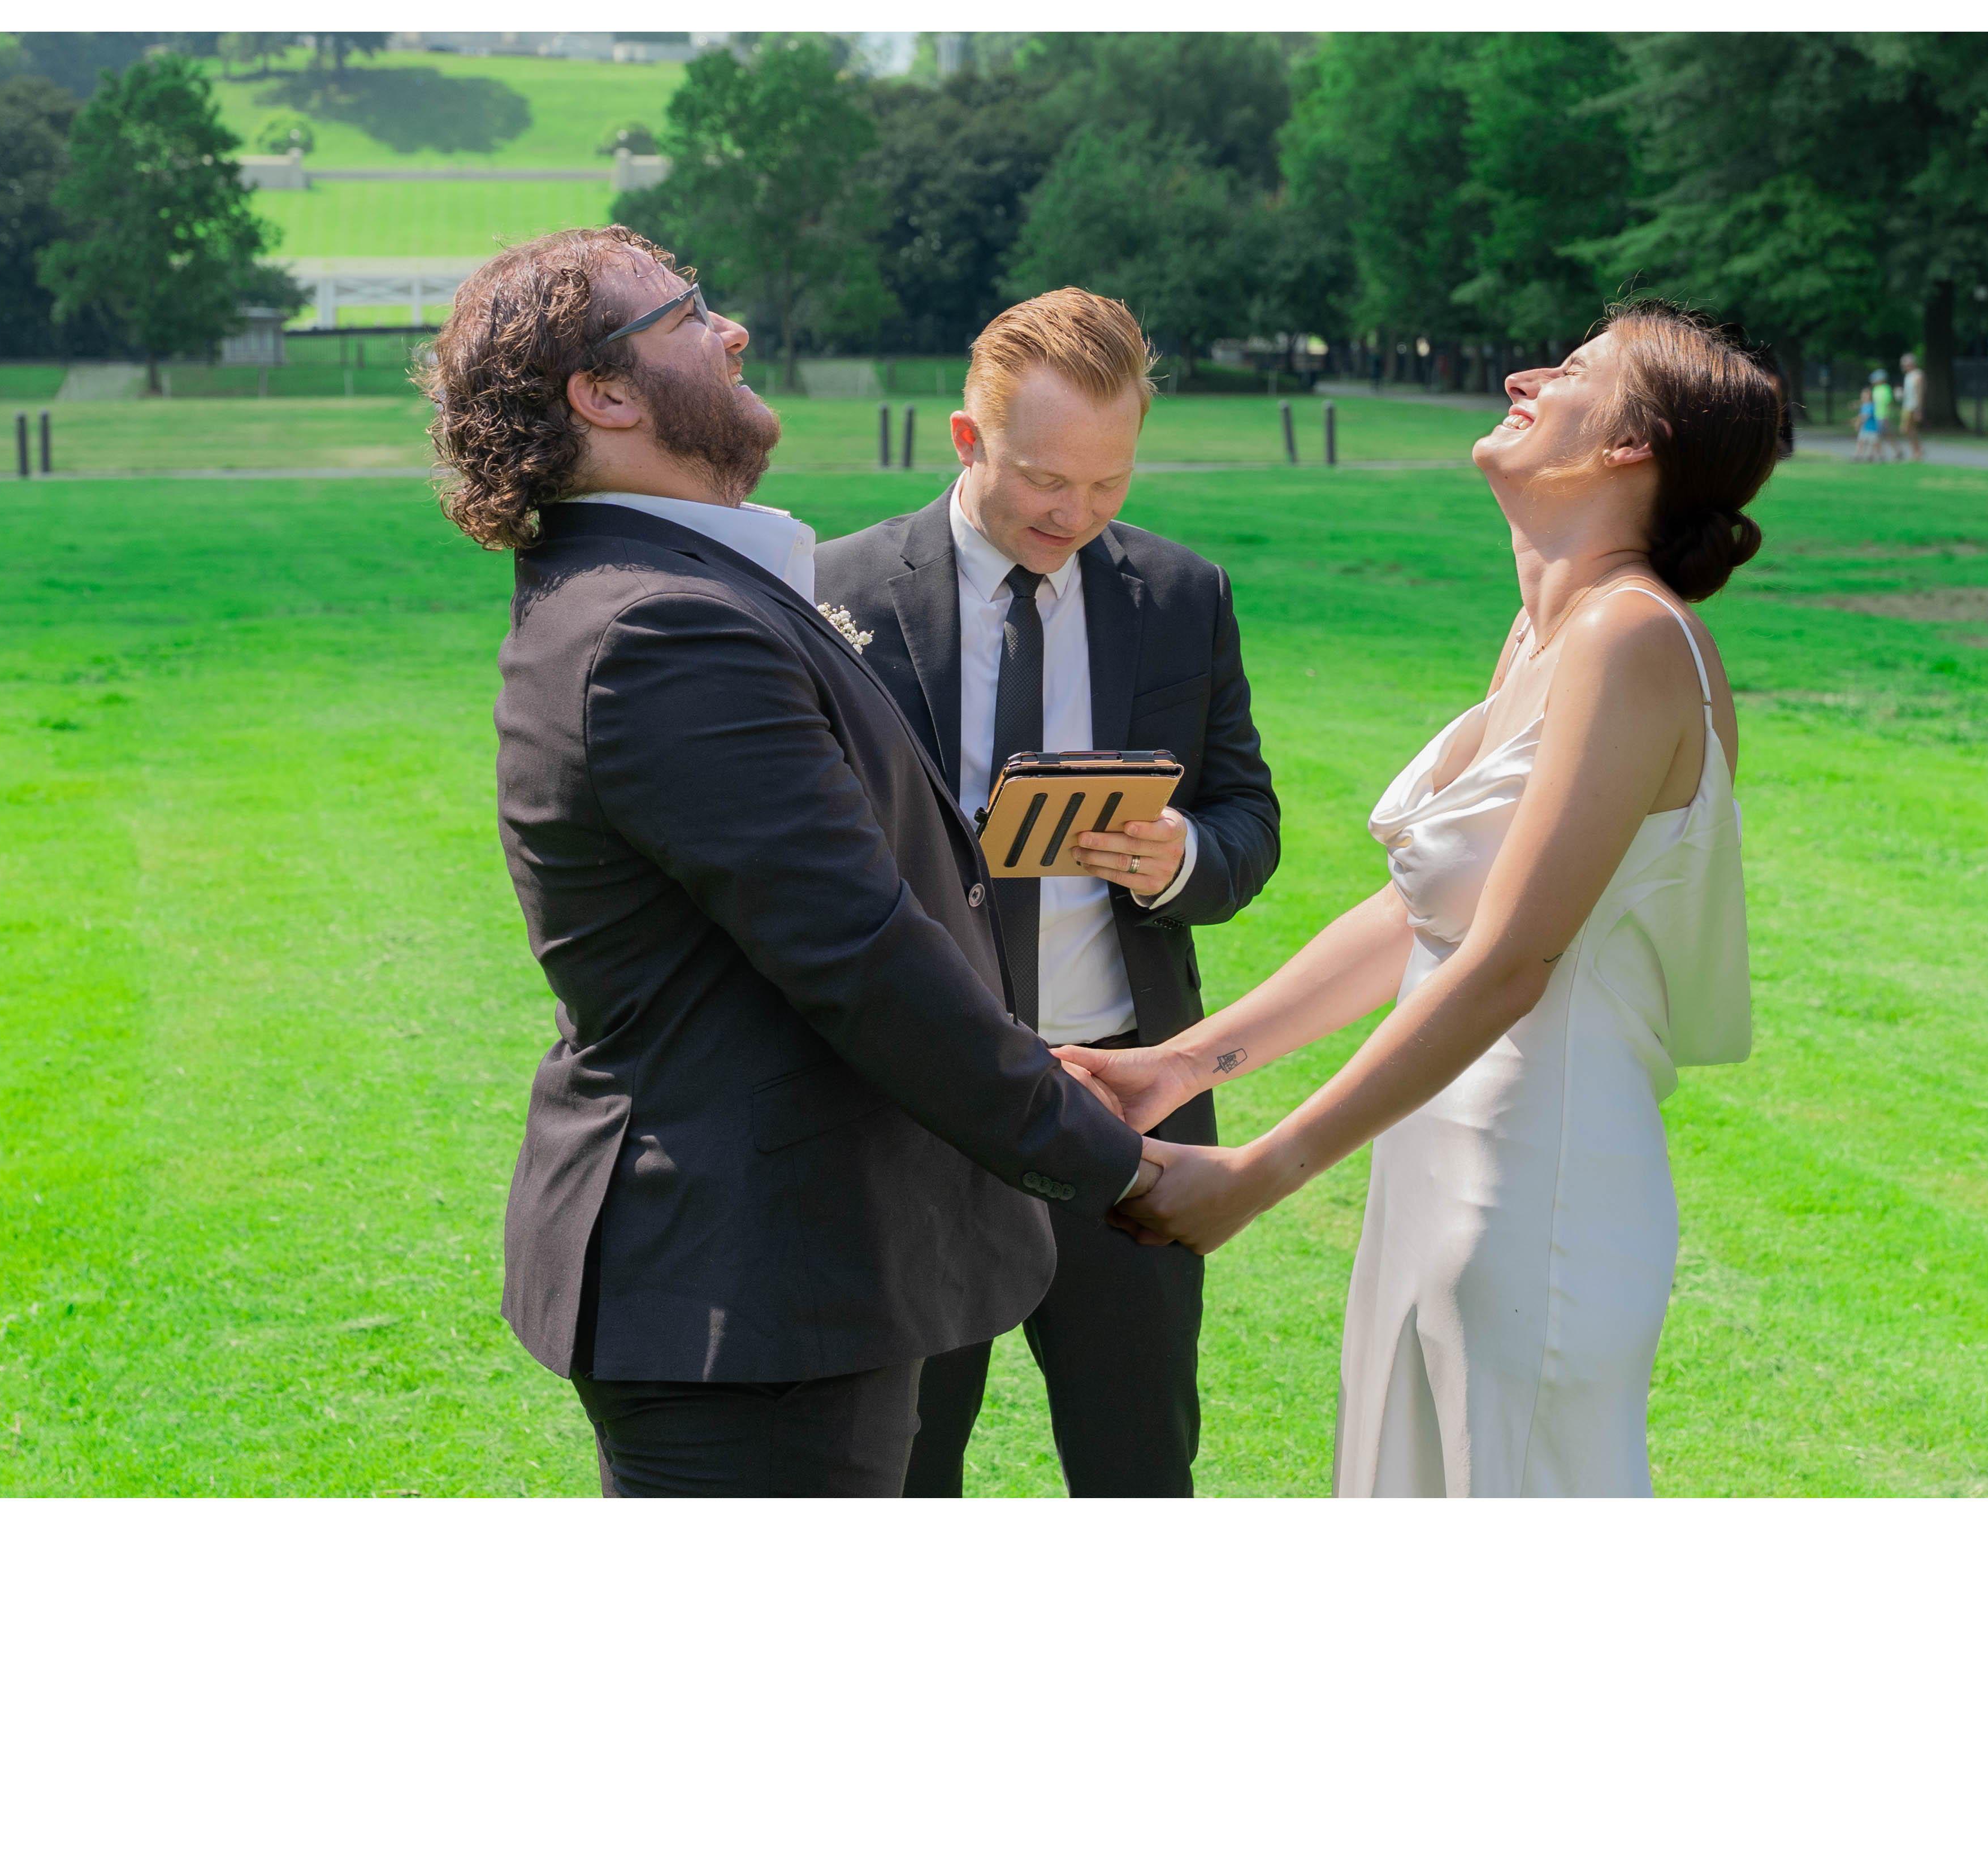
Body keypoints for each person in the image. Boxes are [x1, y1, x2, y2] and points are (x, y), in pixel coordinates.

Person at [421, 227, 1147, 1498]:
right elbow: (859, 952)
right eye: (688, 314)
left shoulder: (665, 587)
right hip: (749, 1298)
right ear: (606, 394)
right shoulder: (663, 628)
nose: (733, 329)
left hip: (774, 1279)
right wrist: (1117, 1162)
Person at [1072, 300, 1781, 1498]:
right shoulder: (1542, 634)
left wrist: (1260, 1171)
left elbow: (1508, 963)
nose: (1521, 377)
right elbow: (1421, 914)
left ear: (1631, 444)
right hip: (1438, 1161)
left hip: (1540, 1178)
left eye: (1570, 369)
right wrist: (1179, 1066)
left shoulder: (1632, 641)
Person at [817, 289, 1280, 1497]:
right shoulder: (832, 595)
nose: (1074, 514)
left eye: (1108, 483)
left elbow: (1249, 822)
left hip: (1126, 1103)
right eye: (1044, 480)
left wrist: (1182, 855)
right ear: (966, 439)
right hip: (913, 1109)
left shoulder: (1183, 594)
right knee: (898, 1471)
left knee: (1138, 1466)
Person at [1899, 351, 1926, 461]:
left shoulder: (1918, 375)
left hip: (1914, 406)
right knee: (1908, 429)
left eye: (1906, 364)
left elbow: (1920, 393)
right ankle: (1917, 450)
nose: (1904, 367)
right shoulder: (1908, 376)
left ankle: (1917, 450)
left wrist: (1919, 409)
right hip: (1907, 405)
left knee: (1906, 429)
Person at [1874, 363, 1903, 459]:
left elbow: (1889, 403)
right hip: (1877, 415)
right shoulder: (1875, 389)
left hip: (1884, 416)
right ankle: (1892, 452)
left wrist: (1887, 416)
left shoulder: (1886, 389)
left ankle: (1883, 454)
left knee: (1883, 436)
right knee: (1883, 436)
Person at [1853, 373, 1882, 460]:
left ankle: (1878, 456)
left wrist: (1858, 422)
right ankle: (1857, 456)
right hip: (1865, 429)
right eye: (1863, 396)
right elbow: (1861, 415)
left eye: (1866, 396)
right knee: (1861, 442)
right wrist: (1857, 421)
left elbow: (1866, 416)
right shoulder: (1864, 406)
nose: (1864, 397)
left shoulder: (1871, 406)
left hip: (1872, 429)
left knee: (1875, 444)